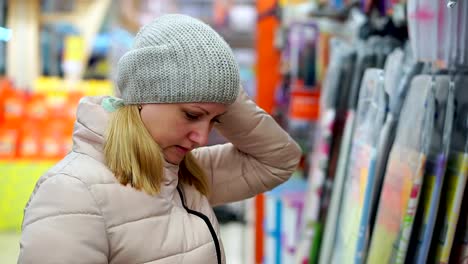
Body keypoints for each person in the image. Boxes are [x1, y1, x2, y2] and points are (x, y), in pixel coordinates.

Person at [18, 14, 301, 264]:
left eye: (214, 120)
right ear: (142, 97)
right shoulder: (72, 192)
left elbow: (279, 159)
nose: (201, 138)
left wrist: (220, 89)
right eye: (191, 115)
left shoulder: (185, 177)